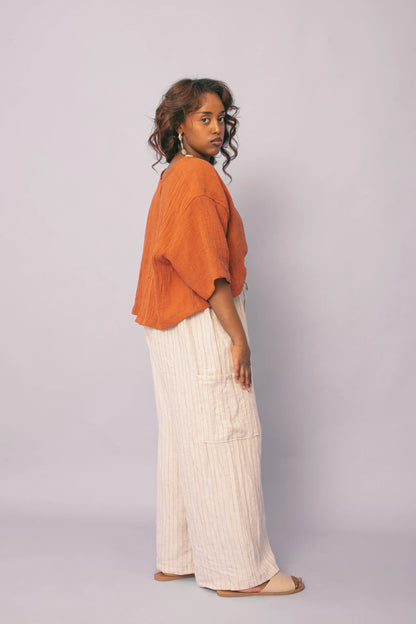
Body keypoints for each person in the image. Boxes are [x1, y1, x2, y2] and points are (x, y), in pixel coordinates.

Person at [131, 77, 305, 597]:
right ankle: (239, 572)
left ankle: (180, 555)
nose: (216, 127)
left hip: (166, 325)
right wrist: (238, 337)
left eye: (221, 118)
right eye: (204, 118)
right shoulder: (197, 178)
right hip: (200, 319)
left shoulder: (174, 175)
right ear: (179, 124)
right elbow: (209, 271)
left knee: (186, 437)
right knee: (227, 436)